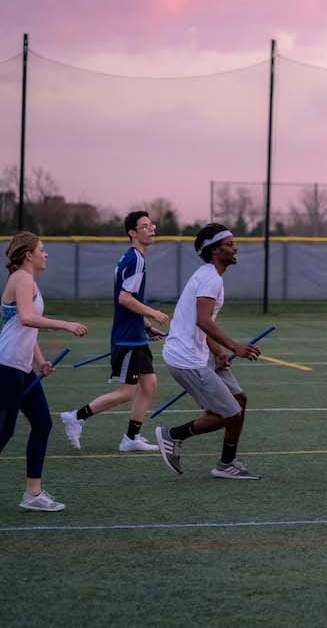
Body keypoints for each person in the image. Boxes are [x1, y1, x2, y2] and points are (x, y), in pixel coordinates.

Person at [154, 223, 261, 479]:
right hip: (187, 359)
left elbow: (200, 322)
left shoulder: (209, 275)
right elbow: (203, 320)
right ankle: (173, 435)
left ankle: (227, 464)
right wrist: (235, 347)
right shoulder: (210, 278)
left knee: (240, 401)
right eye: (229, 244)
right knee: (229, 413)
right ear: (215, 250)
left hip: (199, 354)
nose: (235, 247)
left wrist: (216, 352)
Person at [60, 211, 169, 452]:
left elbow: (129, 301)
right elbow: (124, 299)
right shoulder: (136, 260)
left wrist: (146, 327)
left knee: (149, 384)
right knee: (125, 393)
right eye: (144, 226)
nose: (151, 229)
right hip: (127, 338)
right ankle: (76, 416)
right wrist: (153, 313)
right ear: (133, 233)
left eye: (152, 225)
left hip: (135, 334)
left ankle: (131, 438)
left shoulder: (134, 257)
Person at [0, 232, 88, 511]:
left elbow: (24, 327)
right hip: (6, 366)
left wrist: (39, 360)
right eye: (42, 249)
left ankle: (33, 495)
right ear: (29, 254)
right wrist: (66, 324)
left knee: (42, 423)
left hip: (21, 366)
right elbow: (27, 317)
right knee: (3, 431)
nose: (46, 254)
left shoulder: (27, 281)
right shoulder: (22, 279)